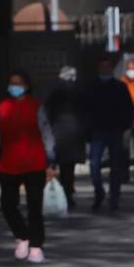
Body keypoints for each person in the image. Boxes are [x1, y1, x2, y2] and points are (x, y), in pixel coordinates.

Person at [0, 70, 57, 263]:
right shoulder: (2, 107)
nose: (14, 87)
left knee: (34, 207)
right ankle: (23, 235)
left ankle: (36, 245)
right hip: (9, 164)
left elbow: (47, 134)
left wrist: (51, 162)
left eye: (18, 83)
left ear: (27, 86)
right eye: (11, 83)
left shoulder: (35, 106)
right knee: (7, 204)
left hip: (34, 163)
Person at [84, 56, 134, 211]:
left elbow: (129, 109)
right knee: (94, 165)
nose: (105, 69)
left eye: (108, 67)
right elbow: (85, 109)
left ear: (111, 69)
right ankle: (99, 191)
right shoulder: (91, 87)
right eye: (102, 66)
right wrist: (87, 129)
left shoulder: (120, 87)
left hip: (115, 131)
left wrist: (124, 125)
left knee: (116, 166)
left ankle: (114, 196)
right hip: (97, 131)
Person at [44, 66, 85, 210]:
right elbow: (85, 112)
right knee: (69, 168)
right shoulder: (79, 92)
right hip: (74, 134)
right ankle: (68, 194)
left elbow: (47, 112)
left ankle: (56, 192)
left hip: (57, 134)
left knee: (54, 165)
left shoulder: (55, 92)